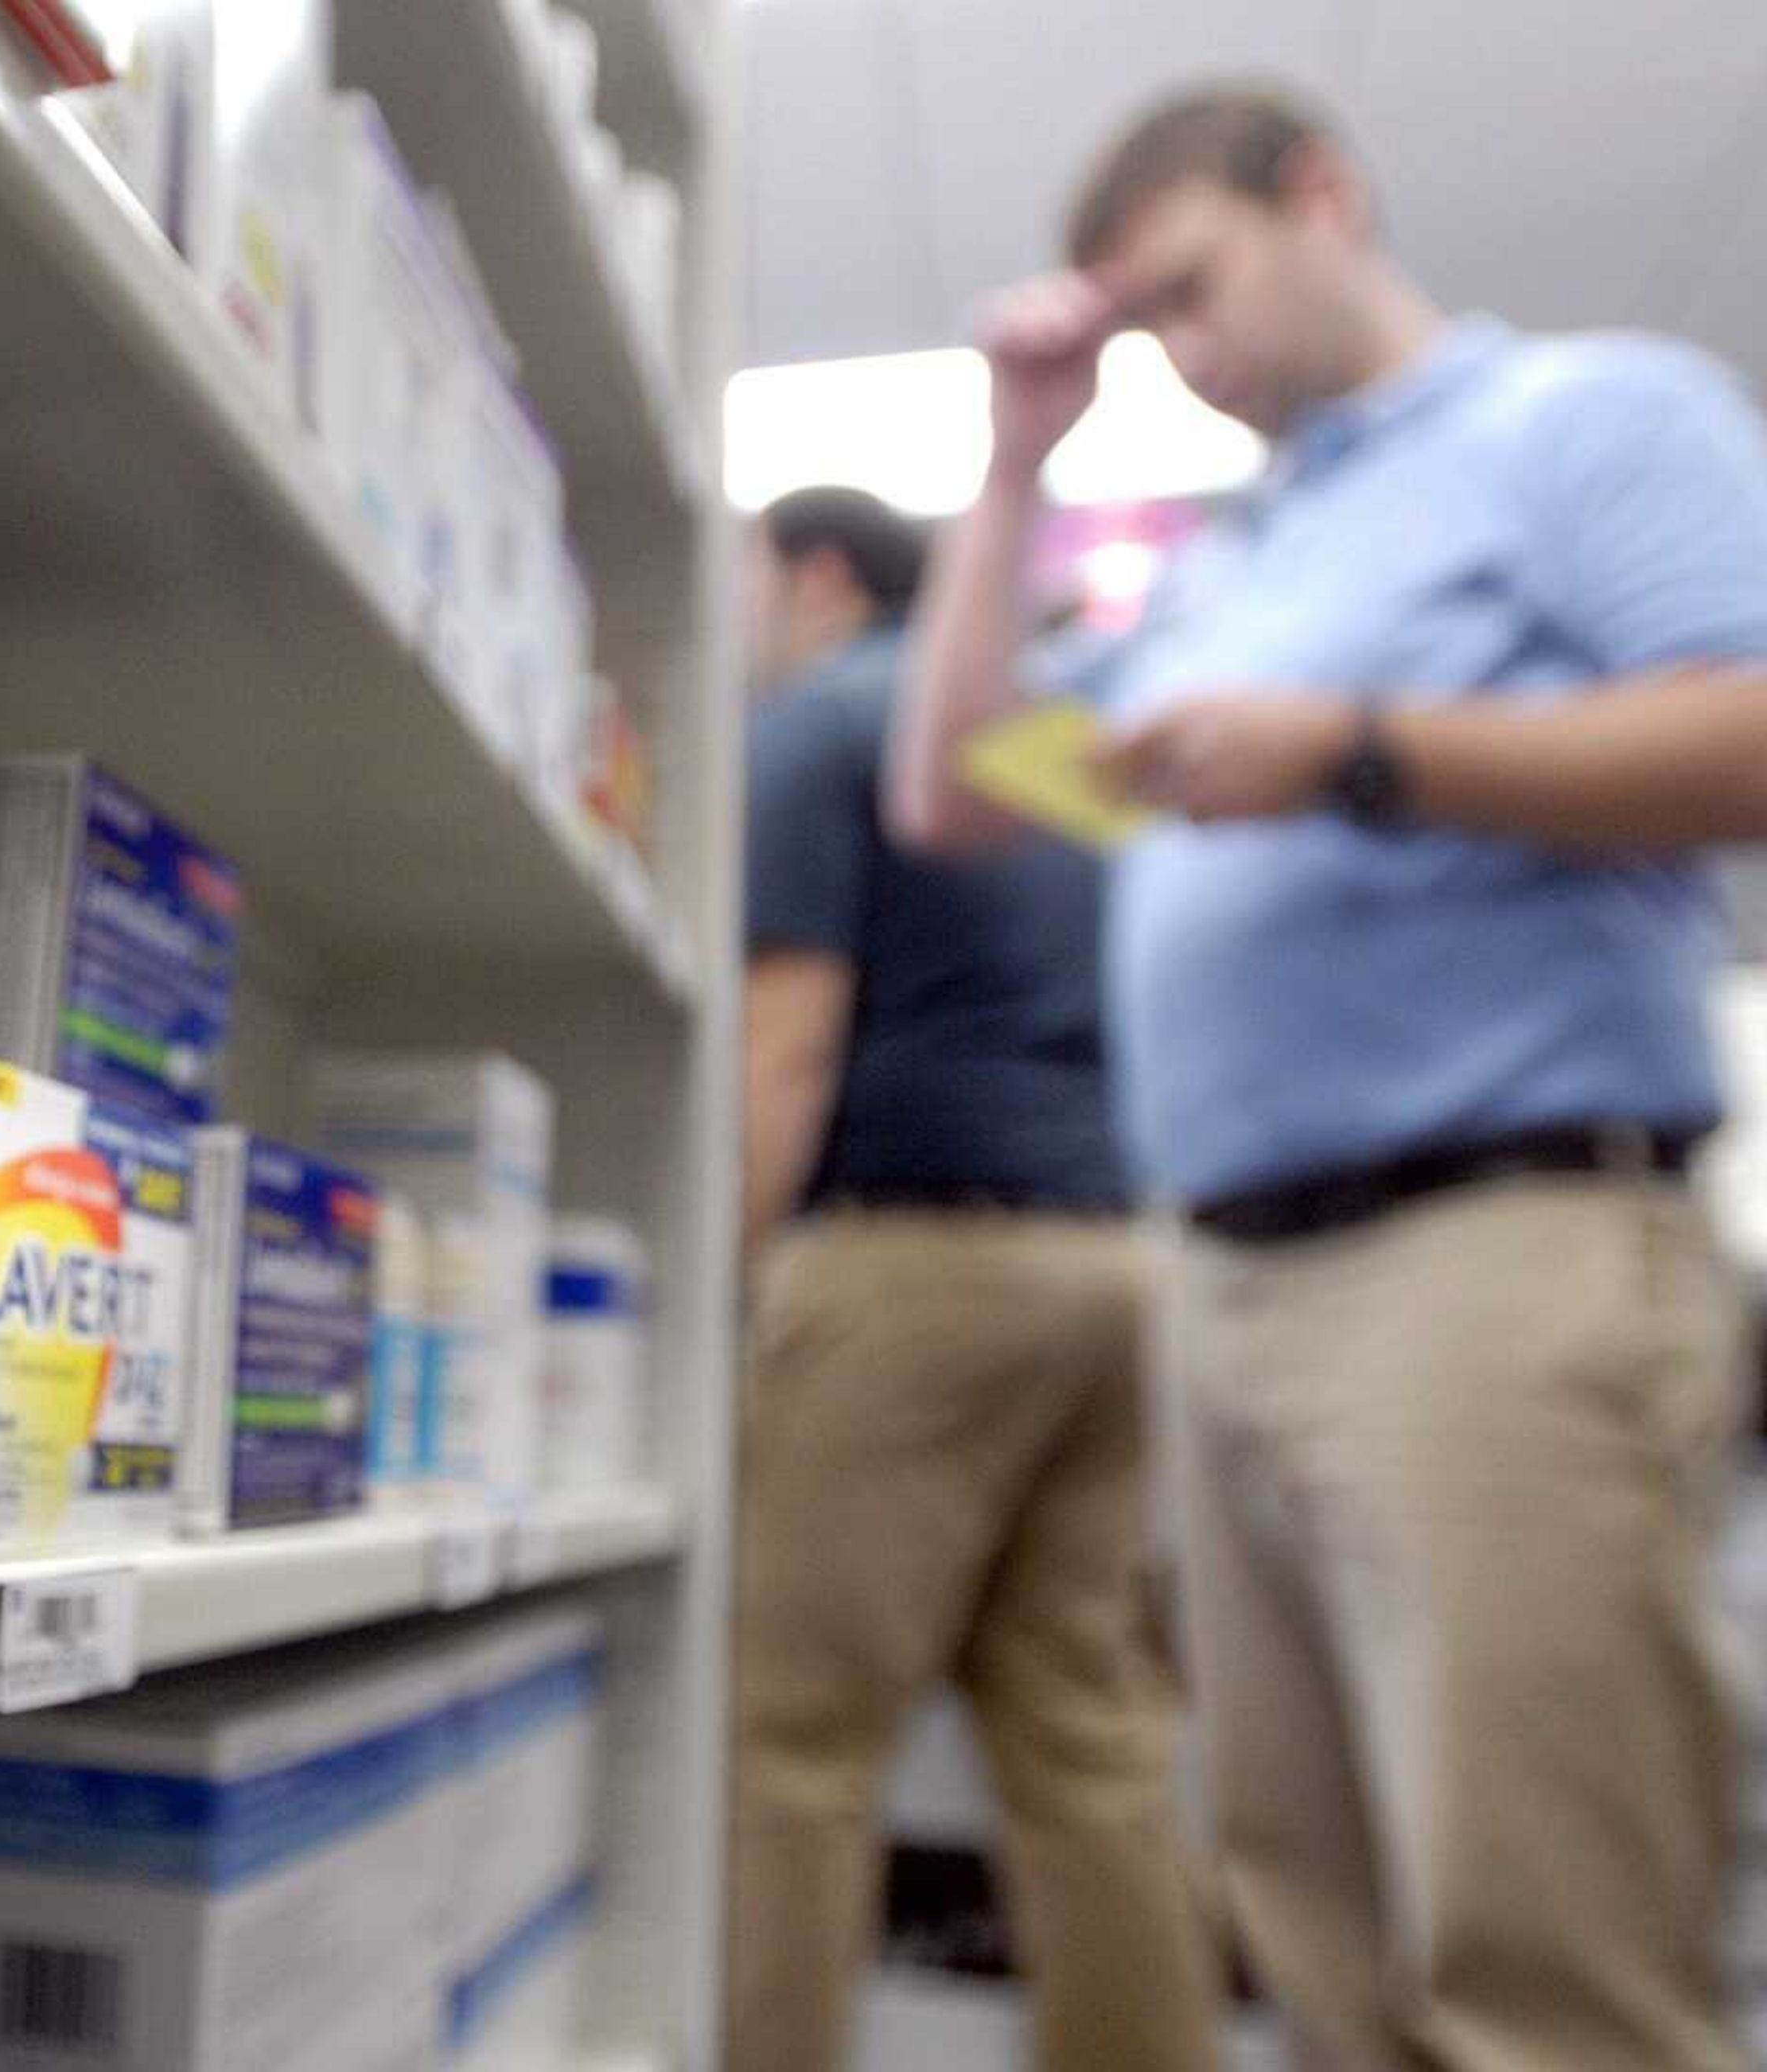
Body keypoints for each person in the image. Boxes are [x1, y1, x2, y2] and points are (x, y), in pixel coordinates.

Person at [889, 80, 1767, 2071]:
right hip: (1226, 1287)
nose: (1182, 365)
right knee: (1318, 1934)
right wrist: (1018, 456)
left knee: (1550, 1955)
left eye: (1195, 294)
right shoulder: (1223, 564)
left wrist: (1363, 751)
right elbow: (951, 792)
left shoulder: (1587, 419)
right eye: (1144, 334)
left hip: (1494, 1258)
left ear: (1325, 198)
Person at [727, 486, 1222, 2071]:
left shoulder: (816, 727)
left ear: (815, 575)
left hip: (917, 1269)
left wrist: (727, 1292)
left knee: (791, 1741)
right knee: (1088, 1747)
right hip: (1112, 1267)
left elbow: (786, 1050)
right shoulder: (1052, 748)